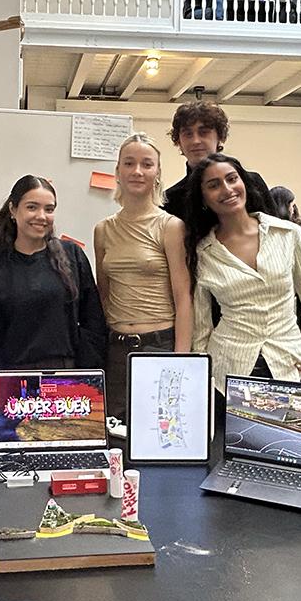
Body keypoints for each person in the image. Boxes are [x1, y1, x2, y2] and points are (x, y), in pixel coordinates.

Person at [184, 153, 301, 397]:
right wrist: (199, 377)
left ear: (244, 182)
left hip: (290, 366)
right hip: (227, 374)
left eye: (232, 179)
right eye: (213, 185)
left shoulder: (288, 235)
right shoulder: (203, 251)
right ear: (203, 198)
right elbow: (201, 327)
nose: (227, 189)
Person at [94, 133, 192, 421]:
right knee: (116, 434)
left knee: (160, 430)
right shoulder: (103, 230)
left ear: (157, 173)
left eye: (146, 164)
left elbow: (183, 298)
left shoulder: (170, 226)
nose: (137, 171)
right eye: (129, 163)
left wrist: (181, 362)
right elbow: (104, 293)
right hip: (116, 349)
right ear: (118, 171)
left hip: (158, 345)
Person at [0, 176, 106, 371]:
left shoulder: (73, 255)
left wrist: (85, 373)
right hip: (14, 377)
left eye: (49, 209)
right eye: (32, 207)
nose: (41, 216)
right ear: (13, 210)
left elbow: (93, 322)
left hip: (67, 375)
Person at [162, 100, 281, 223]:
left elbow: (276, 230)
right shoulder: (170, 200)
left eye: (204, 132)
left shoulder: (252, 183)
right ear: (179, 141)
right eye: (188, 134)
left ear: (219, 136)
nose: (195, 141)